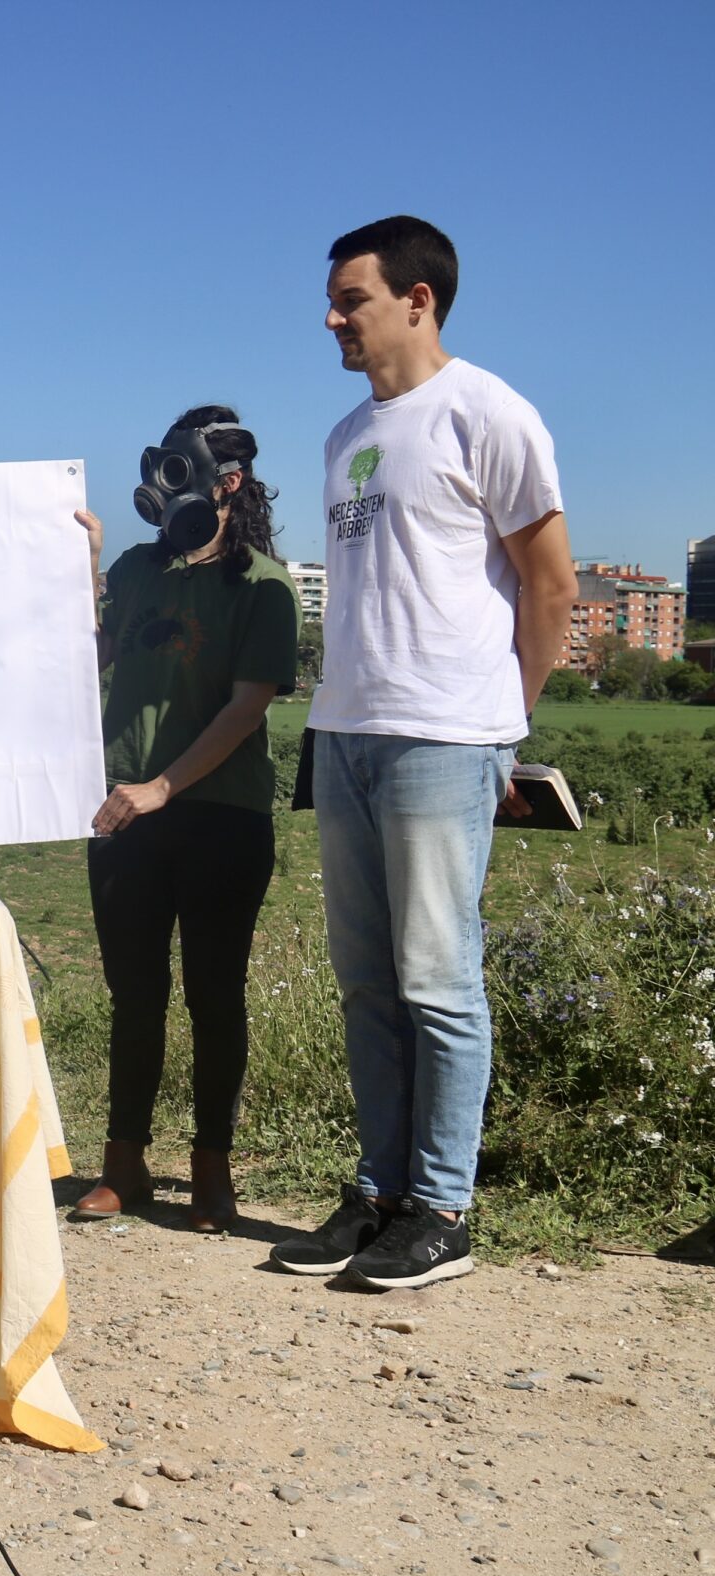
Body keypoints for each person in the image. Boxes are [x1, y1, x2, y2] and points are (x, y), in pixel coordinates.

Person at [270, 215, 576, 1290]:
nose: (331, 318)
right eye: (333, 300)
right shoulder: (343, 434)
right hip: (346, 729)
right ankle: (379, 1192)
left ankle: (443, 1208)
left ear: (418, 299)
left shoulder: (489, 412)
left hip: (446, 733)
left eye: (349, 298)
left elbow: (550, 584)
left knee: (438, 979)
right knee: (366, 980)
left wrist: (503, 720)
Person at [68, 408, 299, 1233]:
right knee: (134, 994)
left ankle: (211, 1171)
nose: (165, 485)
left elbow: (247, 707)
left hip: (221, 817)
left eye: (181, 469)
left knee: (214, 995)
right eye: (159, 467)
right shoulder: (137, 569)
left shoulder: (263, 585)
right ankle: (122, 1165)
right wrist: (89, 567)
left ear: (227, 482)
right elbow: (83, 659)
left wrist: (162, 786)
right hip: (122, 814)